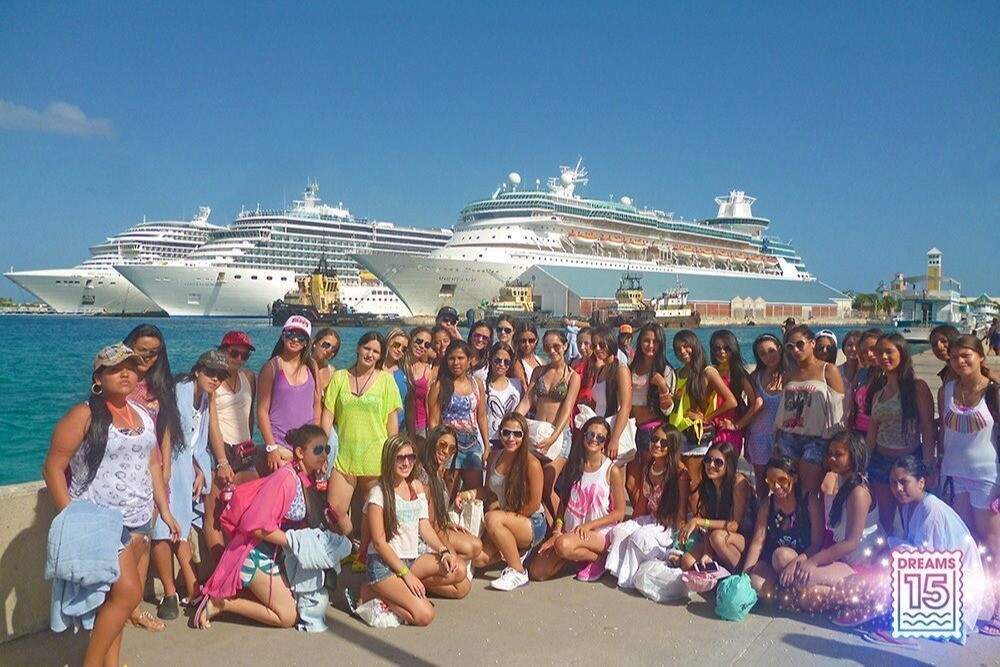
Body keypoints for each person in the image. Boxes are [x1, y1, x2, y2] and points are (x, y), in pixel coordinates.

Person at [42, 343, 180, 666]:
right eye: (116, 368)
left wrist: (164, 510)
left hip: (139, 518)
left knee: (115, 602)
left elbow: (153, 464)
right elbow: (52, 468)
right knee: (129, 594)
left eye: (131, 367)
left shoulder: (142, 415)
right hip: (100, 523)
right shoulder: (84, 415)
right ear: (98, 378)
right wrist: (72, 518)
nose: (126, 373)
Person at [193, 425, 330, 630]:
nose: (324, 455)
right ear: (300, 453)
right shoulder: (286, 479)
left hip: (274, 553)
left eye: (327, 449)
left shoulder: (303, 477)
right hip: (255, 554)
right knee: (288, 616)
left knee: (303, 602)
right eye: (318, 450)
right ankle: (222, 603)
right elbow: (253, 525)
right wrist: (293, 541)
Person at [871, 456, 987, 642]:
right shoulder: (909, 506)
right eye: (893, 483)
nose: (898, 488)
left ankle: (907, 631)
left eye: (904, 482)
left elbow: (926, 558)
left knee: (895, 556)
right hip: (941, 583)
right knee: (889, 554)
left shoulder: (930, 508)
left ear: (921, 482)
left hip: (958, 594)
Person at [355, 434, 465, 626]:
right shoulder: (378, 493)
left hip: (411, 559)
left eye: (411, 457)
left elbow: (424, 526)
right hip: (384, 565)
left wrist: (444, 551)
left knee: (459, 570)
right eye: (400, 458)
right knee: (425, 615)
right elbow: (379, 543)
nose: (406, 463)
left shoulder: (416, 487)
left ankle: (402, 591)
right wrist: (407, 575)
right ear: (389, 459)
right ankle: (372, 592)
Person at [152, 350, 229, 621]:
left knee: (179, 527)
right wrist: (166, 472)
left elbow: (196, 441)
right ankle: (170, 592)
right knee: (163, 529)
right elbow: (167, 431)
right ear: (197, 370)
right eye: (210, 372)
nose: (215, 379)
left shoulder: (205, 398)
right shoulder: (179, 391)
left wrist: (199, 468)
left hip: (186, 466)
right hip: (169, 465)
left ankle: (193, 585)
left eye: (220, 376)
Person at [122, 324, 183, 631]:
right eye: (141, 350)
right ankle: (118, 606)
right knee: (122, 546)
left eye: (154, 352)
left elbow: (166, 428)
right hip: (122, 474)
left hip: (152, 472)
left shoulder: (159, 385)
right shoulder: (119, 379)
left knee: (144, 541)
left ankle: (134, 609)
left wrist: (166, 466)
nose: (146, 357)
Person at [939, 334, 1000, 634]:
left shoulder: (994, 391)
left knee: (992, 543)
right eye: (955, 357)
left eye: (966, 355)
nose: (960, 361)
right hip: (953, 474)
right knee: (964, 541)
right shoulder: (947, 389)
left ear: (980, 357)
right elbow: (943, 434)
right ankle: (971, 601)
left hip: (986, 477)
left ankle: (998, 607)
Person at [791, 431, 885, 611]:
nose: (832, 458)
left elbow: (851, 542)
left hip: (862, 565)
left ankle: (863, 594)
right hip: (846, 561)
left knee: (804, 583)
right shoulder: (843, 481)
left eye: (838, 454)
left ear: (854, 455)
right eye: (830, 453)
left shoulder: (858, 492)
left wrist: (813, 561)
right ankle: (845, 595)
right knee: (802, 583)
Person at [322, 331, 402, 539]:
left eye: (376, 351)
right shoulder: (340, 377)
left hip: (375, 455)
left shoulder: (386, 381)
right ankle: (349, 545)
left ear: (380, 356)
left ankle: (365, 551)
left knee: (372, 512)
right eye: (367, 348)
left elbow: (392, 423)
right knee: (334, 509)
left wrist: (392, 456)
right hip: (344, 455)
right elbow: (327, 415)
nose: (370, 354)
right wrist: (322, 450)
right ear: (358, 348)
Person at [456, 413, 546, 591]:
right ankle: (513, 551)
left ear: (524, 436)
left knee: (492, 518)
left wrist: (507, 519)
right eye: (506, 433)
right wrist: (466, 494)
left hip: (532, 522)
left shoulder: (532, 464)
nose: (511, 438)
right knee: (479, 558)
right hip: (506, 519)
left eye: (517, 434)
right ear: (499, 433)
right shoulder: (494, 457)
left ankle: (518, 571)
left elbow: (534, 504)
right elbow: (488, 491)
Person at [530, 416, 626, 582]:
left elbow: (619, 513)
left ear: (604, 442)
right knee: (537, 571)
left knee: (563, 545)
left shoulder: (611, 471)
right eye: (590, 434)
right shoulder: (573, 465)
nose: (594, 439)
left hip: (599, 532)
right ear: (583, 436)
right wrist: (556, 531)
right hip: (572, 532)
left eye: (600, 437)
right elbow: (563, 504)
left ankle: (599, 560)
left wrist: (589, 526)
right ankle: (576, 554)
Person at [865, 333, 936, 532]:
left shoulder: (917, 387)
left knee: (912, 518)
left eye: (889, 351)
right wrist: (863, 464)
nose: (883, 357)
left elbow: (927, 427)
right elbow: (872, 433)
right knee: (885, 520)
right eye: (879, 352)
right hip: (880, 462)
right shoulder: (878, 392)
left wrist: (928, 466)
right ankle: (889, 549)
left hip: (909, 462)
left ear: (902, 353)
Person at [605, 424, 690, 588]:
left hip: (668, 526)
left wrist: (679, 545)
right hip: (651, 519)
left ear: (672, 446)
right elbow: (642, 503)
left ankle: (631, 578)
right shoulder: (648, 467)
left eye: (664, 443)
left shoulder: (680, 473)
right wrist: (633, 524)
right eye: (654, 439)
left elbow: (681, 510)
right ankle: (619, 571)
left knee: (639, 538)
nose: (657, 444)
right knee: (619, 531)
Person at [205, 331, 258, 567]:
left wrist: (250, 445)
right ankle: (220, 570)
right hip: (221, 451)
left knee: (250, 510)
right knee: (215, 514)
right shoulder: (213, 382)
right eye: (234, 353)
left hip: (244, 451)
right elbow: (212, 423)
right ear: (222, 351)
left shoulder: (249, 377)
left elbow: (250, 416)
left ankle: (240, 564)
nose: (239, 359)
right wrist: (221, 461)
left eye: (244, 355)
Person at [774, 325, 845, 494]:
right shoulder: (789, 375)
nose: (796, 350)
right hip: (788, 438)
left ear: (812, 343)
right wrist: (776, 440)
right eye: (790, 346)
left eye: (800, 344)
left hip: (816, 440)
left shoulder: (828, 370)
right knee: (789, 490)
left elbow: (838, 411)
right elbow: (784, 409)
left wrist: (835, 445)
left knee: (810, 492)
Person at [741, 456, 823, 601]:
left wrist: (794, 563)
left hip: (801, 559)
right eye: (770, 481)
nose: (776, 486)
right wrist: (743, 576)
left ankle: (793, 591)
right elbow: (758, 542)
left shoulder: (810, 501)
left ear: (794, 478)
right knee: (755, 584)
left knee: (781, 556)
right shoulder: (767, 504)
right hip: (772, 559)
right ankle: (785, 590)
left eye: (782, 480)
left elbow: (817, 544)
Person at [415, 425, 481, 598]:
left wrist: (448, 523)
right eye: (442, 445)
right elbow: (431, 526)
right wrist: (448, 552)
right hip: (422, 537)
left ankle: (430, 572)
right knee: (462, 587)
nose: (446, 451)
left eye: (451, 449)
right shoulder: (423, 476)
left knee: (475, 546)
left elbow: (437, 517)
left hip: (437, 527)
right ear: (432, 443)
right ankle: (412, 579)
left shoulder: (438, 471)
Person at [669, 329, 737, 489]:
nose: (682, 351)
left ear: (695, 345)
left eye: (686, 346)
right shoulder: (677, 373)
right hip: (678, 434)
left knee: (694, 481)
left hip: (696, 435)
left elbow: (731, 401)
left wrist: (706, 418)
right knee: (680, 481)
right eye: (678, 349)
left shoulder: (707, 372)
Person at [676, 442, 755, 572]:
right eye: (708, 460)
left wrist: (698, 521)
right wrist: (708, 553)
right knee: (687, 561)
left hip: (744, 540)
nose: (711, 465)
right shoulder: (708, 485)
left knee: (717, 537)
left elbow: (734, 525)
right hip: (717, 538)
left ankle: (740, 573)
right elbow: (709, 525)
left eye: (718, 462)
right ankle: (718, 568)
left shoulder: (738, 482)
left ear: (728, 465)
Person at [526, 330, 582, 514]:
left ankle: (561, 524)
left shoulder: (573, 377)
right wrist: (512, 424)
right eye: (547, 347)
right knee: (534, 486)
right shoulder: (539, 372)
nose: (552, 351)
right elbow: (526, 401)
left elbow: (567, 409)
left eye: (556, 346)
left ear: (565, 346)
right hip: (537, 434)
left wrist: (553, 437)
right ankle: (548, 526)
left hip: (560, 436)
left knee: (547, 486)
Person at [257, 316, 320, 472]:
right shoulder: (271, 368)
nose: (295, 339)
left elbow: (317, 405)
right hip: (280, 447)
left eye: (301, 336)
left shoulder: (312, 366)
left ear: (306, 342)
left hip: (306, 449)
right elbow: (262, 411)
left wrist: (318, 445)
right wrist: (271, 448)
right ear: (282, 335)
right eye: (290, 333)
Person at [428, 340, 490, 491]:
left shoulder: (477, 384)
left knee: (474, 492)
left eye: (460, 358)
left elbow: (481, 416)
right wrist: (437, 452)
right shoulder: (440, 386)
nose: (456, 363)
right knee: (448, 493)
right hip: (449, 445)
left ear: (469, 360)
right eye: (451, 358)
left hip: (472, 443)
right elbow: (434, 421)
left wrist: (487, 446)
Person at [627, 322, 675, 507]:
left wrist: (662, 385)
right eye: (646, 341)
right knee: (631, 483)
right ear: (640, 342)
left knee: (648, 481)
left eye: (655, 342)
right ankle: (642, 516)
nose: (650, 345)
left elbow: (668, 410)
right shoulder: (632, 367)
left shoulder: (665, 370)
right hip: (632, 430)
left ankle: (649, 516)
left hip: (652, 430)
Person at [579, 326, 633, 465]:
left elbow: (625, 407)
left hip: (613, 429)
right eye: (594, 345)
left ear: (611, 343)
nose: (597, 349)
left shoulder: (621, 370)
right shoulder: (601, 369)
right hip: (599, 431)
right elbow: (600, 402)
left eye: (602, 345)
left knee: (614, 474)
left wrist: (615, 439)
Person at [745, 333, 787, 499]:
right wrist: (746, 439)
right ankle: (762, 513)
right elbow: (750, 410)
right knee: (762, 484)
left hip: (783, 438)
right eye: (762, 353)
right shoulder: (755, 377)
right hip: (759, 437)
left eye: (771, 351)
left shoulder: (791, 376)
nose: (768, 356)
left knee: (784, 482)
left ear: (780, 349)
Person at [709, 329, 760, 459]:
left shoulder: (738, 373)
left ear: (733, 348)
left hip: (728, 429)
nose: (722, 352)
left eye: (726, 348)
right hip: (710, 427)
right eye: (717, 348)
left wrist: (737, 425)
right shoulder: (711, 371)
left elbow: (757, 402)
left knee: (726, 467)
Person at [483, 342, 527, 448]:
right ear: (490, 360)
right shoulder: (482, 385)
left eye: (506, 362)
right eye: (497, 360)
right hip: (490, 440)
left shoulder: (517, 384)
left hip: (512, 440)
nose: (502, 364)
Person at [847, 328, 882, 437]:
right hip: (858, 431)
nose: (869, 354)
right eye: (865, 352)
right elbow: (853, 406)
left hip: (881, 434)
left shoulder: (893, 377)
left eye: (873, 349)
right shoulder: (862, 373)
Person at [402, 326, 436, 437]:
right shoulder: (397, 366)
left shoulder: (427, 372)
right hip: (398, 424)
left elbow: (428, 405)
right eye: (419, 341)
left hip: (420, 427)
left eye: (427, 345)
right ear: (410, 339)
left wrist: (431, 432)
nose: (422, 346)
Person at [383, 328, 411, 430]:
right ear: (387, 342)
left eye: (403, 349)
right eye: (396, 345)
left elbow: (408, 406)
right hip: (378, 428)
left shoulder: (404, 371)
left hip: (400, 429)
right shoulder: (374, 369)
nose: (399, 350)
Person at [311, 327, 342, 396]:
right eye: (326, 345)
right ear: (314, 342)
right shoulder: (302, 367)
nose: (329, 350)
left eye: (333, 349)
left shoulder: (332, 372)